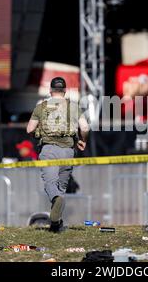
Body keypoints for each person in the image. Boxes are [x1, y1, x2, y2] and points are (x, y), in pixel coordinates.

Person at [26, 77, 90, 233]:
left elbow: (29, 129)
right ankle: (56, 224)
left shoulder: (41, 107)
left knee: (51, 184)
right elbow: (85, 127)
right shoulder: (73, 107)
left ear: (50, 91)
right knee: (61, 187)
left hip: (48, 150)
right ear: (65, 91)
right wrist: (82, 140)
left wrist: (38, 132)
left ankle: (56, 203)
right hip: (68, 150)